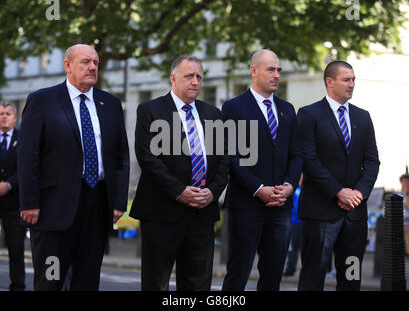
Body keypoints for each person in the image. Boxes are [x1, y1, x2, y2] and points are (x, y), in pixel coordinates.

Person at [18, 44, 130, 291]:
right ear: (67, 65)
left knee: (87, 281)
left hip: (97, 205)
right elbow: (28, 155)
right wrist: (29, 202)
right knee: (50, 282)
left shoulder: (110, 103)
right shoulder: (42, 100)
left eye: (96, 63)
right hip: (52, 209)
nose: (92, 67)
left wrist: (118, 201)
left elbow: (121, 154)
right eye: (85, 62)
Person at [129, 55, 228, 291]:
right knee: (156, 283)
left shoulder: (213, 114)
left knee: (198, 285)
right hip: (162, 212)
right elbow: (147, 157)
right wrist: (179, 191)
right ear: (173, 78)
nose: (195, 82)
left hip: (201, 215)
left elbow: (224, 161)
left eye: (199, 77)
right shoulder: (150, 110)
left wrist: (212, 193)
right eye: (189, 76)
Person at [221, 49, 302, 291]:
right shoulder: (232, 107)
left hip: (280, 206)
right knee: (238, 274)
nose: (276, 75)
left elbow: (296, 154)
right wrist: (258, 189)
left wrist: (289, 186)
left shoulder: (288, 109)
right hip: (246, 206)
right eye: (271, 69)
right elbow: (227, 155)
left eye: (278, 70)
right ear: (253, 70)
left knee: (273, 276)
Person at [297, 60, 380, 291]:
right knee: (314, 276)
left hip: (354, 216)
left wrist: (358, 193)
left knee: (351, 277)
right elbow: (309, 160)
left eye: (353, 79)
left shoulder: (363, 117)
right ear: (329, 82)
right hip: (320, 214)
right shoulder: (309, 115)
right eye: (346, 79)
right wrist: (338, 191)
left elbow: (372, 161)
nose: (352, 84)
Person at [0, 102, 26, 291]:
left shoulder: (23, 138)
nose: (4, 117)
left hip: (14, 201)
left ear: (15, 117)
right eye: (1, 113)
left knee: (15, 248)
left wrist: (9, 184)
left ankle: (17, 285)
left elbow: (26, 167)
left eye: (8, 113)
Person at [283, 174, 302, 276]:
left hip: (303, 222)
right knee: (292, 248)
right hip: (293, 222)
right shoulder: (293, 189)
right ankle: (290, 269)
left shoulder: (305, 189)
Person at [398, 174, 409, 255]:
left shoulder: (406, 195)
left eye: (407, 181)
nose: (406, 183)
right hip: (397, 223)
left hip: (407, 224)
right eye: (404, 181)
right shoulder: (398, 194)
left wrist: (406, 194)